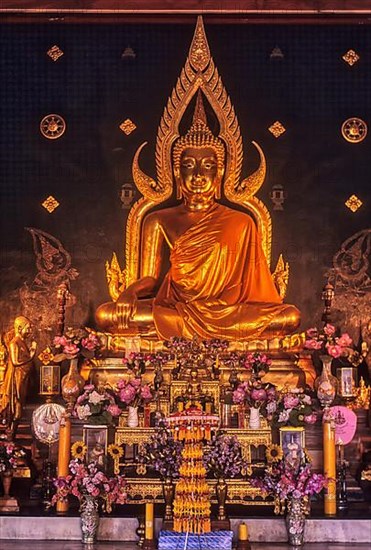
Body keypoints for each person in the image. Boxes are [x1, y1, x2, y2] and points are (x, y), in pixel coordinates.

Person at [96, 105, 300, 340]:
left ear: (220, 172)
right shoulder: (157, 220)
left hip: (226, 311)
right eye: (189, 166)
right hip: (177, 308)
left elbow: (253, 289)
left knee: (289, 316)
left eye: (208, 166)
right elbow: (151, 279)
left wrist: (224, 306)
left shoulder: (242, 222)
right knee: (106, 315)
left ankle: (189, 336)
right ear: (176, 172)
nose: (198, 175)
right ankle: (207, 336)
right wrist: (129, 292)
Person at [0, 316, 37, 437]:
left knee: (19, 410)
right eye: (28, 327)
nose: (30, 330)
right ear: (20, 328)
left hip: (22, 379)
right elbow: (15, 362)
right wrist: (31, 356)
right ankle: (10, 434)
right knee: (14, 409)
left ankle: (12, 435)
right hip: (15, 380)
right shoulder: (14, 343)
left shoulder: (23, 343)